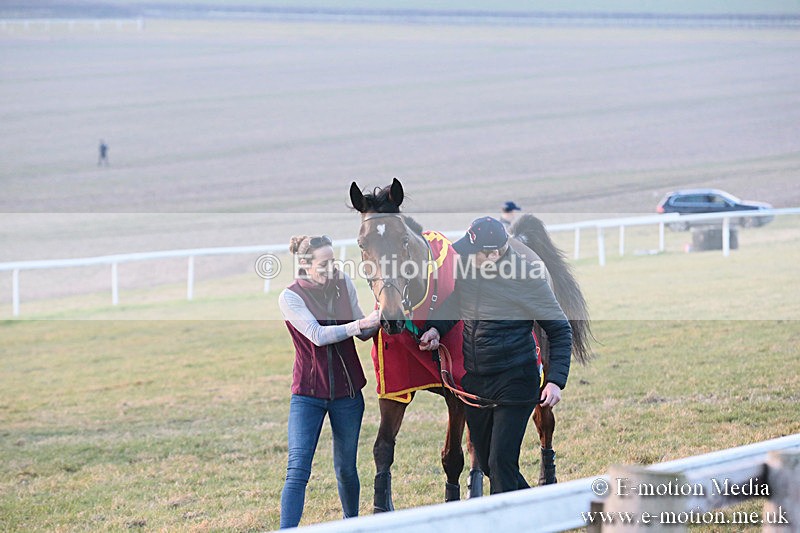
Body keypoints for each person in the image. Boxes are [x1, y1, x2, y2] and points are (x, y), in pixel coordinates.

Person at [418, 216, 572, 494]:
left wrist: (555, 381)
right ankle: (543, 508)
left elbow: (560, 330)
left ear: (494, 253)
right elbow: (456, 303)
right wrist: (436, 329)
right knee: (490, 465)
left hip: (515, 380)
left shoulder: (526, 278)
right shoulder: (471, 269)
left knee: (501, 463)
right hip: (478, 381)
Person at [278, 234, 381, 528]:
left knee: (346, 468)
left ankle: (351, 525)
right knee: (297, 470)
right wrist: (358, 325)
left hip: (348, 395)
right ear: (306, 265)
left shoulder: (343, 283)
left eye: (333, 261)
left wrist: (380, 317)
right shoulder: (290, 297)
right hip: (307, 395)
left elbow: (362, 330)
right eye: (324, 264)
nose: (331, 268)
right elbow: (318, 336)